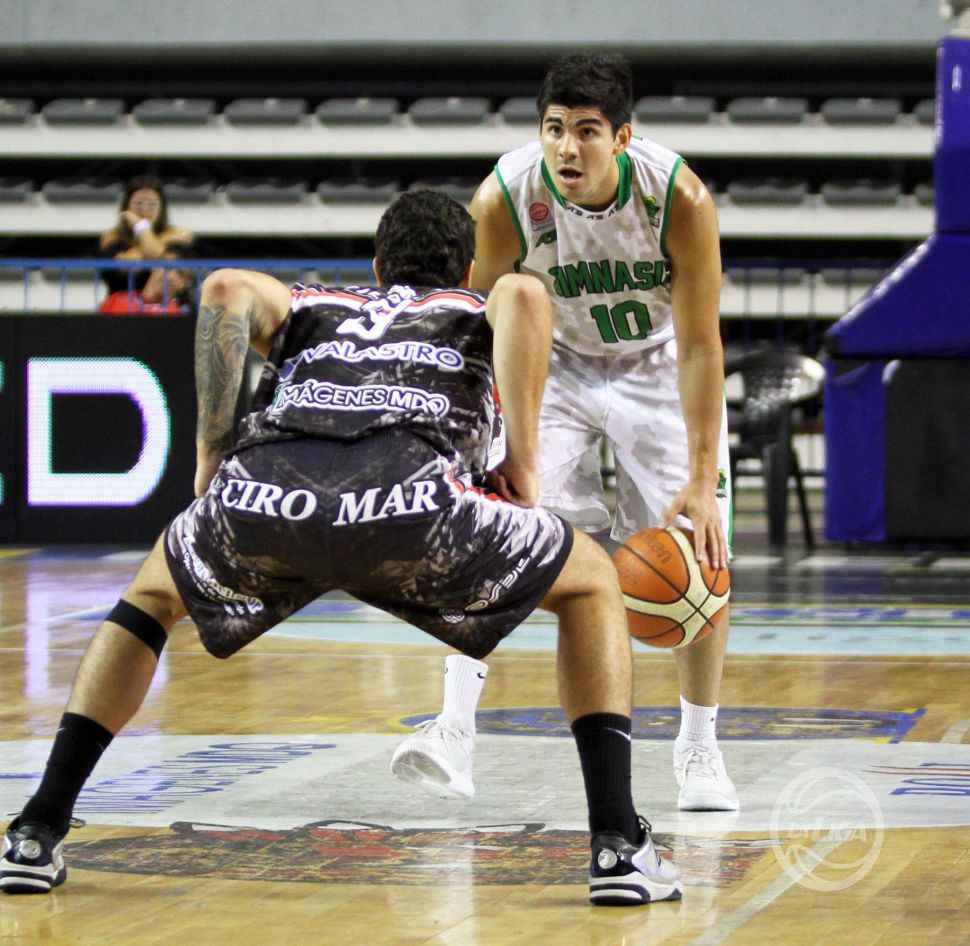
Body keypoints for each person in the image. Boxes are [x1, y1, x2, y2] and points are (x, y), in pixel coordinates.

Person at [0, 190, 682, 907]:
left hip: (266, 496)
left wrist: (209, 453)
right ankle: (617, 843)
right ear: (467, 270)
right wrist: (524, 465)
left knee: (149, 598)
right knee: (592, 581)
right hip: (410, 506)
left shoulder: (316, 304)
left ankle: (37, 830)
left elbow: (224, 289)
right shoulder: (475, 305)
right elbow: (523, 294)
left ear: (377, 267)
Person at [391, 53, 739, 812]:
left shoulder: (678, 198)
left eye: (586, 131)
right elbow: (476, 325)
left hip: (656, 363)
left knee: (701, 549)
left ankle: (699, 746)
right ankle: (453, 729)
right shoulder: (504, 198)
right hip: (554, 365)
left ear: (622, 138)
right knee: (493, 524)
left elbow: (701, 346)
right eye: (554, 129)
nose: (567, 147)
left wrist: (701, 480)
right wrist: (475, 440)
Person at [98, 175, 195, 314]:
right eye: (138, 203)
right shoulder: (112, 236)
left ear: (162, 207)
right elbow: (129, 266)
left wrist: (145, 238)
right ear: (126, 206)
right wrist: (142, 227)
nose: (144, 210)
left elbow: (164, 261)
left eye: (152, 204)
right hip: (120, 311)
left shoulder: (176, 235)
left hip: (166, 312)